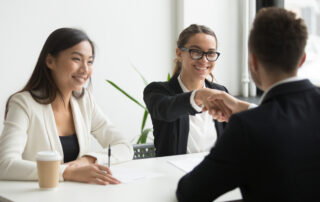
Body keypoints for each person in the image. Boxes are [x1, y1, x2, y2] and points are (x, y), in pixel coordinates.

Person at [176, 7, 320, 201]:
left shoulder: (248, 128)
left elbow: (191, 192)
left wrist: (249, 115)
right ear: (302, 59)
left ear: (252, 62)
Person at [0, 28, 133, 185]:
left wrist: (88, 159)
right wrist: (68, 172)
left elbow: (124, 146)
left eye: (90, 62)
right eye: (76, 59)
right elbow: (4, 165)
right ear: (50, 61)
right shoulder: (23, 103)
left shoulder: (85, 101)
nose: (85, 69)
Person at [143, 24, 235, 157]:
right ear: (179, 54)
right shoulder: (158, 91)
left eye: (210, 53)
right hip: (174, 176)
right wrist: (198, 96)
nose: (204, 60)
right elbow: (166, 110)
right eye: (196, 52)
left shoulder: (220, 91)